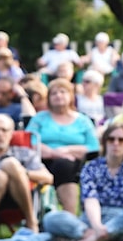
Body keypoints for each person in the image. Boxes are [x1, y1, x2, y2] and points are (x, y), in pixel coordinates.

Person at [42, 121, 123, 241]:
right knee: (51, 218)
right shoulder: (91, 167)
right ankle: (101, 236)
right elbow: (90, 199)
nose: (116, 143)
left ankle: (84, 240)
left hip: (120, 217)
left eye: (121, 140)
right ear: (104, 142)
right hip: (91, 219)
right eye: (111, 139)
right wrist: (97, 226)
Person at [26, 79, 100, 214]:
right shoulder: (39, 118)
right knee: (61, 163)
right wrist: (55, 153)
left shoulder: (83, 120)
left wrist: (68, 150)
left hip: (73, 164)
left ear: (71, 96)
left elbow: (93, 146)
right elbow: (30, 140)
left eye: (62, 92)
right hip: (41, 162)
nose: (58, 95)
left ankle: (69, 214)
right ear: (48, 98)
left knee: (64, 165)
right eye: (54, 93)